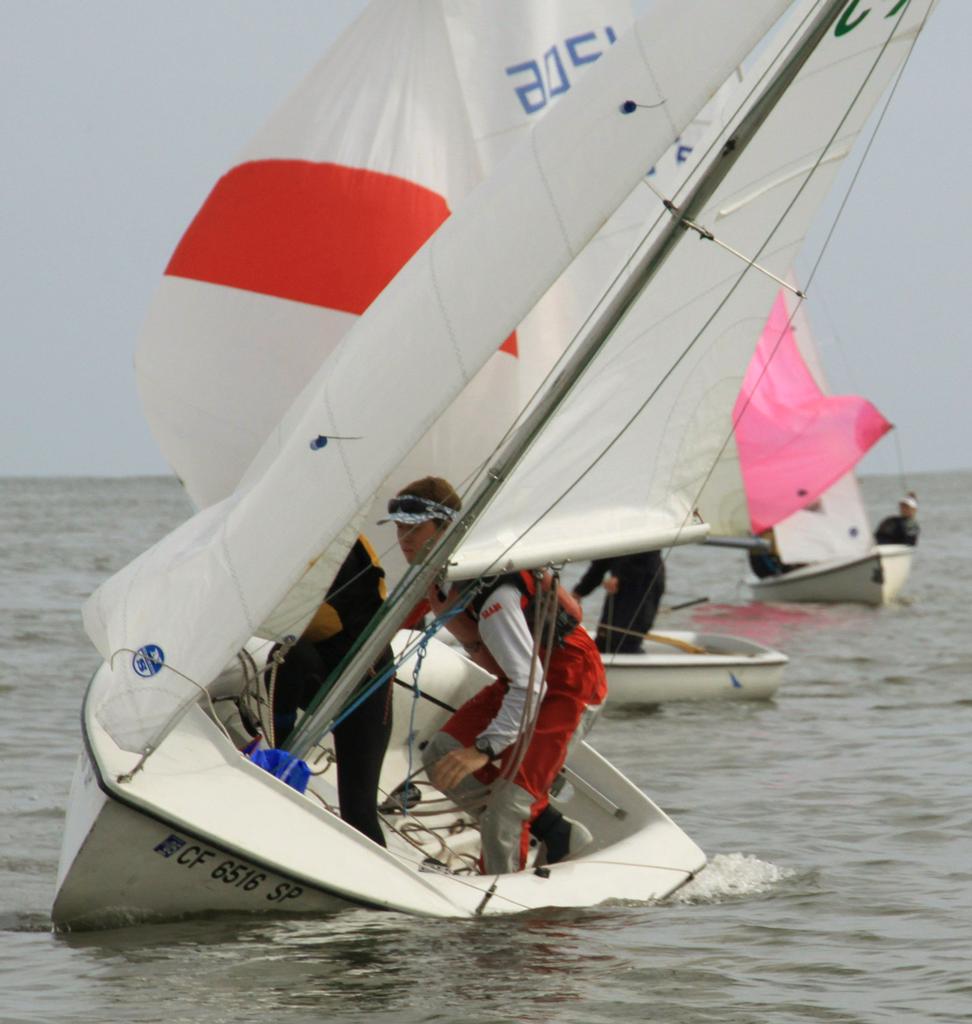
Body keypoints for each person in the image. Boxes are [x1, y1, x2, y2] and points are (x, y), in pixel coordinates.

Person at [383, 476, 607, 874]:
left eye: (415, 528)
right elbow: (388, 628)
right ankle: (556, 833)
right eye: (399, 528)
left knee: (507, 808)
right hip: (517, 683)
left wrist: (482, 750)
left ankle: (503, 918)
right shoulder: (434, 576)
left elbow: (532, 685)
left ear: (448, 528)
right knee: (440, 756)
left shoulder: (493, 592)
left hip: (566, 688)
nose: (404, 539)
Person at [269, 535, 393, 847]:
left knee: (358, 812)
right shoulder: (288, 541)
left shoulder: (343, 553)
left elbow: (320, 620)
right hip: (320, 674)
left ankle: (376, 890)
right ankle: (281, 749)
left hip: (366, 683)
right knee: (287, 655)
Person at [571, 551, 665, 654]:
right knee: (605, 637)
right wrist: (579, 592)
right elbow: (601, 563)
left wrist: (621, 576)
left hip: (644, 580)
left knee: (626, 639)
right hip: (620, 583)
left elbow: (650, 548)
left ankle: (633, 664)